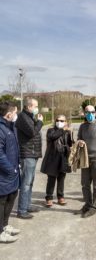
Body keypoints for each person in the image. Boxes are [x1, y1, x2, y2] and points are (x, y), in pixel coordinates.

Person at [16, 98, 43, 219]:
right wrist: (40, 122)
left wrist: (37, 121)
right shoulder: (22, 117)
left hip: (32, 154)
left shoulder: (29, 117)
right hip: (27, 155)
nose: (37, 108)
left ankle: (27, 205)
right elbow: (32, 132)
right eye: (36, 106)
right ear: (29, 106)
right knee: (26, 183)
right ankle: (22, 210)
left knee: (30, 182)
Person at [41, 115, 73, 207]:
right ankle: (49, 198)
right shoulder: (50, 130)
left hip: (63, 158)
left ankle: (60, 196)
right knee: (51, 179)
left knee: (61, 178)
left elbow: (70, 144)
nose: (60, 122)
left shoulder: (67, 132)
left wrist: (71, 135)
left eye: (62, 121)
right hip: (52, 158)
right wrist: (62, 130)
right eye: (58, 120)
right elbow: (53, 137)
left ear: (66, 122)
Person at [0, 101, 21, 243]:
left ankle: (5, 225)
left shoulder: (10, 126)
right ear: (9, 114)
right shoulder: (1, 129)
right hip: (4, 173)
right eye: (15, 112)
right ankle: (0, 232)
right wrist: (10, 169)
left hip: (12, 172)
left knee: (12, 196)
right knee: (2, 202)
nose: (16, 115)